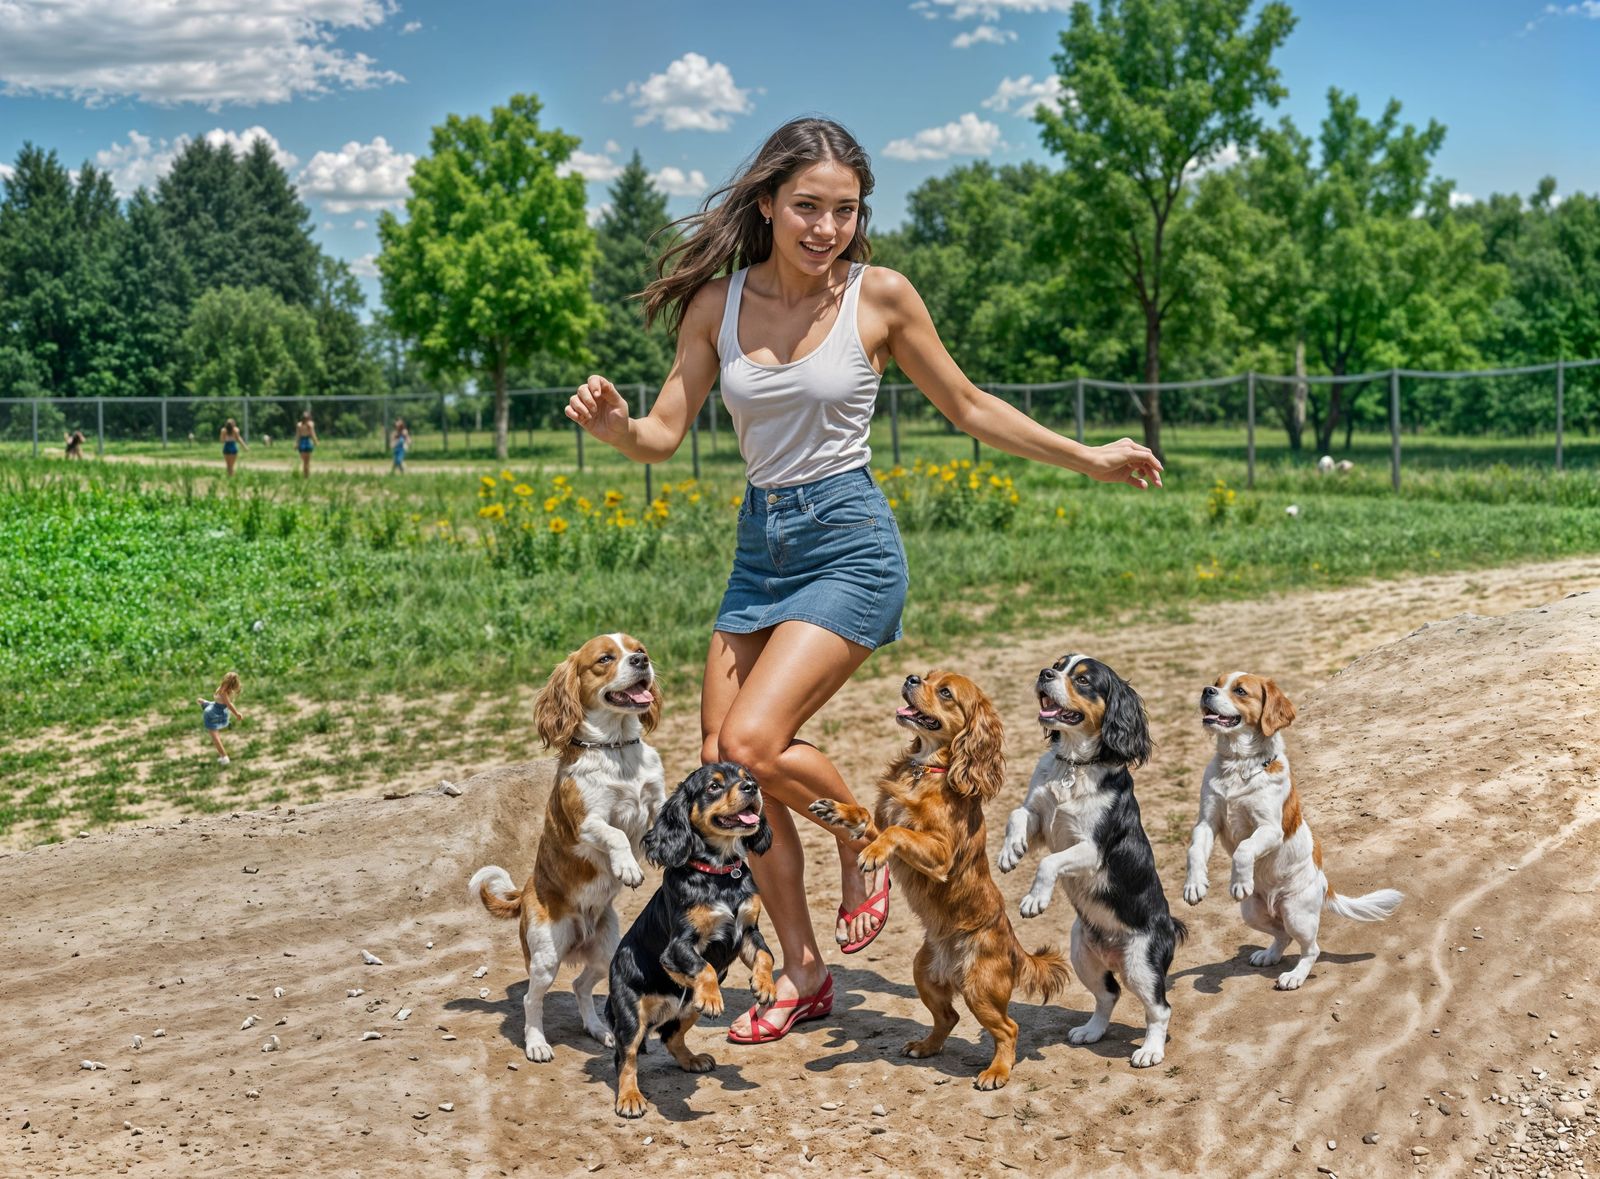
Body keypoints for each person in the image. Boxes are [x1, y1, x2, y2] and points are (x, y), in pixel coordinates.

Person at [565, 116, 1163, 1045]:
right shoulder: (714, 307)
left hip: (850, 541)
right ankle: (804, 973)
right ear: (766, 203)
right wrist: (614, 431)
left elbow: (967, 405)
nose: (826, 227)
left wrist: (1087, 456)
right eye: (807, 206)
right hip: (759, 547)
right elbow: (661, 432)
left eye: (844, 210)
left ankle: (855, 836)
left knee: (758, 742)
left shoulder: (876, 297)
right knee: (727, 762)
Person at [197, 672, 245, 765]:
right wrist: (206, 702)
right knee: (214, 736)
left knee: (215, 737)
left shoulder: (224, 692)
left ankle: (224, 757)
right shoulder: (222, 689)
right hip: (215, 709)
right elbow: (218, 703)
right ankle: (223, 755)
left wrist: (237, 714)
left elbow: (228, 705)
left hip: (216, 714)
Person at [294, 410, 319, 478]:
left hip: (303, 442)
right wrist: (315, 441)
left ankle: (306, 475)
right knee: (306, 462)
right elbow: (313, 434)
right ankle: (306, 475)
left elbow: (298, 435)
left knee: (305, 462)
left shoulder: (300, 425)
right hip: (307, 441)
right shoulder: (310, 424)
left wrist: (296, 443)